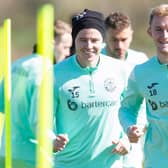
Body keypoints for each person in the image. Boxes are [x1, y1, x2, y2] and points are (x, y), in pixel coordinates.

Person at [53, 9, 131, 168]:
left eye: (94, 40)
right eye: (83, 39)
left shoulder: (120, 70)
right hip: (68, 164)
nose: (89, 45)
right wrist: (50, 140)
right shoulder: (54, 74)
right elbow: (39, 120)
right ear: (74, 40)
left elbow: (137, 108)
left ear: (103, 41)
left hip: (111, 163)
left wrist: (127, 141)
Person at [119, 4, 168, 168]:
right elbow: (127, 108)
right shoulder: (141, 72)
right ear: (150, 32)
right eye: (159, 29)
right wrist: (130, 128)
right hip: (157, 161)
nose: (164, 35)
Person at [103, 11, 148, 168]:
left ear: (132, 35)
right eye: (114, 40)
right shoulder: (94, 60)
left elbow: (144, 103)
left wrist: (136, 130)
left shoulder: (140, 61)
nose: (119, 46)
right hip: (103, 142)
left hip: (133, 141)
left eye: (124, 39)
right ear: (104, 36)